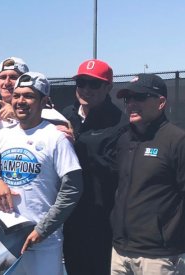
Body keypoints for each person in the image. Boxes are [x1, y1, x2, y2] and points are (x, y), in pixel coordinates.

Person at [0, 72, 82, 275]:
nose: (20, 101)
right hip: (5, 240)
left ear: (44, 101)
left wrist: (43, 229)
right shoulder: (3, 136)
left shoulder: (56, 137)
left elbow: (73, 188)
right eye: (17, 95)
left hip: (43, 242)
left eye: (29, 96)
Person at [110, 74, 185, 274]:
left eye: (140, 97)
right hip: (120, 252)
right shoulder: (124, 140)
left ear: (161, 102)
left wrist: (170, 235)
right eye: (128, 98)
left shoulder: (177, 140)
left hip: (159, 257)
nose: (131, 103)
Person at [62, 59, 126, 275]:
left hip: (101, 222)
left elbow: (116, 172)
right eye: (81, 83)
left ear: (108, 87)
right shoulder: (66, 114)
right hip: (69, 219)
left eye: (94, 84)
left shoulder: (120, 123)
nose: (86, 89)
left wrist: (77, 146)